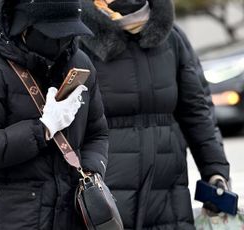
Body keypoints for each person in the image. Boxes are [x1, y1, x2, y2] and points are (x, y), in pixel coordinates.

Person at [0, 0, 108, 229]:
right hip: (10, 216)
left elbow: (98, 132)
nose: (61, 42)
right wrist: (42, 129)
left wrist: (92, 172)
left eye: (68, 33)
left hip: (70, 215)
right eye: (52, 34)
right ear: (22, 28)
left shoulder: (79, 64)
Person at [80, 0, 230, 229]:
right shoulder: (78, 39)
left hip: (169, 197)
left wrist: (215, 172)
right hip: (105, 199)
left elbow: (196, 111)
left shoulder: (172, 38)